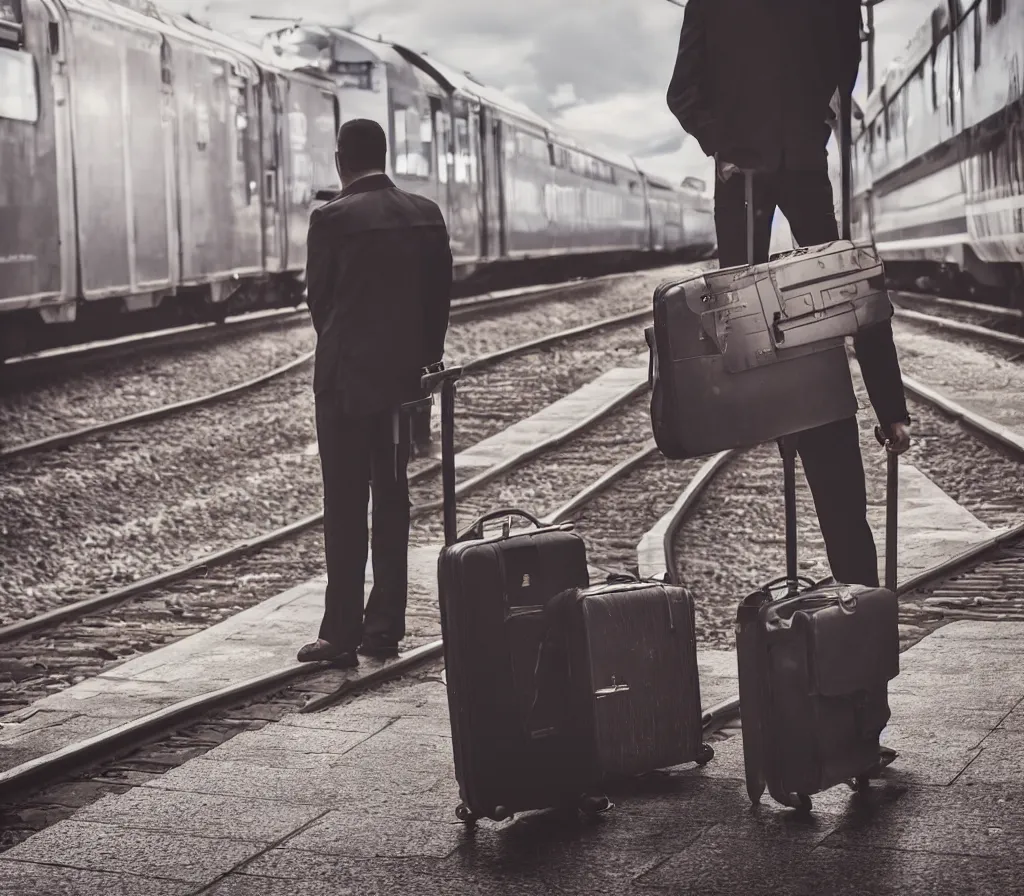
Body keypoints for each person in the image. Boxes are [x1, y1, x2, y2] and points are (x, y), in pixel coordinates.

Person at [665, 0, 912, 590]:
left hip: (750, 168)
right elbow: (845, 66)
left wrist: (724, 143)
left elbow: (682, 93)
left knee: (753, 301)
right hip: (796, 160)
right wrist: (808, 122)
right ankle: (885, 417)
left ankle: (753, 411)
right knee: (839, 281)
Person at [298, 119, 453, 666]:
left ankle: (339, 634)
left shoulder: (332, 219)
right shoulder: (425, 214)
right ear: (384, 156)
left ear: (341, 161)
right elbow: (440, 299)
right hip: (403, 385)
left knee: (344, 503)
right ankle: (384, 628)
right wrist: (419, 362)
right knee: (393, 499)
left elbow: (322, 304)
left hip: (344, 385)